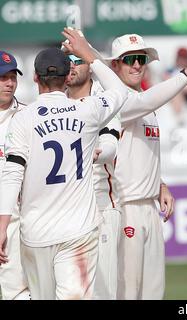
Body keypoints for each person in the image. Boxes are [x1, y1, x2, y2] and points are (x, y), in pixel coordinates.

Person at [0, 29, 129, 299]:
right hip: (77, 230)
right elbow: (119, 90)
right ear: (67, 75)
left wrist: (1, 228)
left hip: (34, 233)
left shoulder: (23, 118)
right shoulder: (87, 109)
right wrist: (88, 54)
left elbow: (12, 174)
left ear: (35, 78)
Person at [102, 33, 187, 300]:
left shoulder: (146, 101)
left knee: (154, 292)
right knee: (128, 291)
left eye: (141, 59)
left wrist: (160, 184)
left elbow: (139, 152)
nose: (136, 65)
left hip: (149, 208)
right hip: (125, 206)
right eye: (129, 59)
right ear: (115, 66)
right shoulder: (115, 101)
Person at [66, 54, 121, 300]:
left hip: (100, 208)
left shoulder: (102, 102)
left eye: (78, 61)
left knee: (102, 292)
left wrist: (97, 154)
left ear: (90, 66)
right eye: (67, 61)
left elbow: (111, 144)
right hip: (66, 212)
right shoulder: (56, 105)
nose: (72, 66)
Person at [0, 50, 30, 300]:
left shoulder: (28, 116)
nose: (10, 83)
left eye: (12, 77)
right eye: (3, 77)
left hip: (18, 216)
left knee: (18, 290)